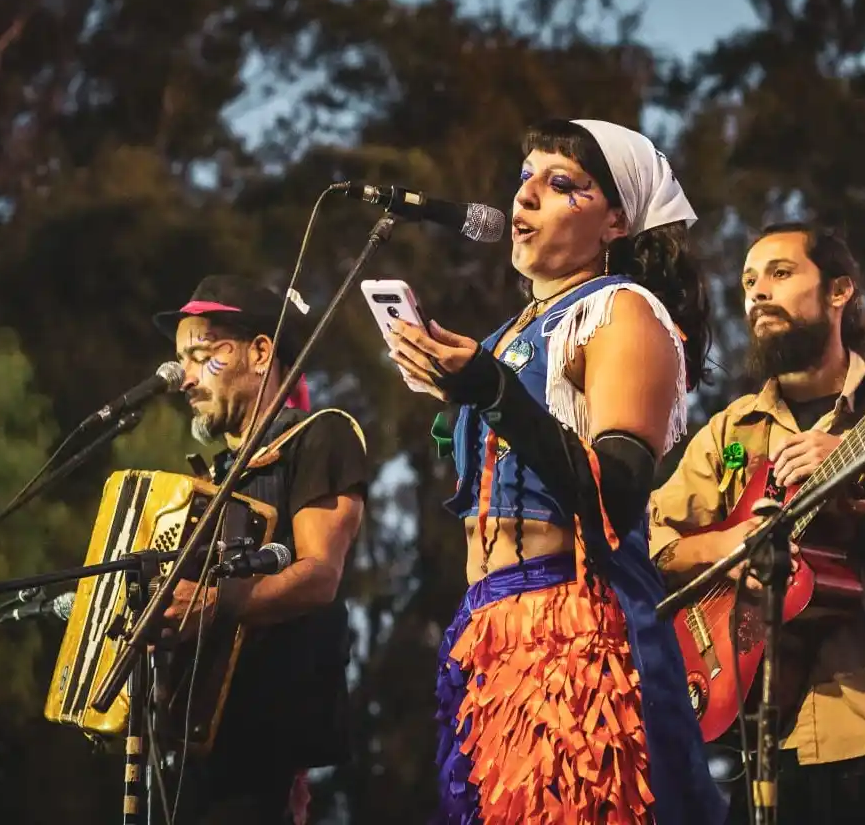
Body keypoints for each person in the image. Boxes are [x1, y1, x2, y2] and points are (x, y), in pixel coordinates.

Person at [386, 118, 726, 823]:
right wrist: (459, 397)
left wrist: (493, 392)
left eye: (561, 182)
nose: (526, 195)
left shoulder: (622, 312)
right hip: (490, 628)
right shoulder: (505, 335)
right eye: (525, 178)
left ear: (616, 222)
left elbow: (618, 494)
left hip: (577, 625)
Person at [649, 223, 865, 825]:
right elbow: (650, 539)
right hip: (768, 749)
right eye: (749, 282)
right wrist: (727, 546)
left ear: (839, 291)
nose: (758, 293)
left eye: (780, 274)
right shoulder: (730, 431)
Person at [151, 274, 369, 824]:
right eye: (181, 360)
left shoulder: (320, 435)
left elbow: (320, 575)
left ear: (260, 351)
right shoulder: (216, 475)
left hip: (263, 743)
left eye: (202, 355)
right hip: (195, 747)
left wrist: (215, 604)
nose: (185, 378)